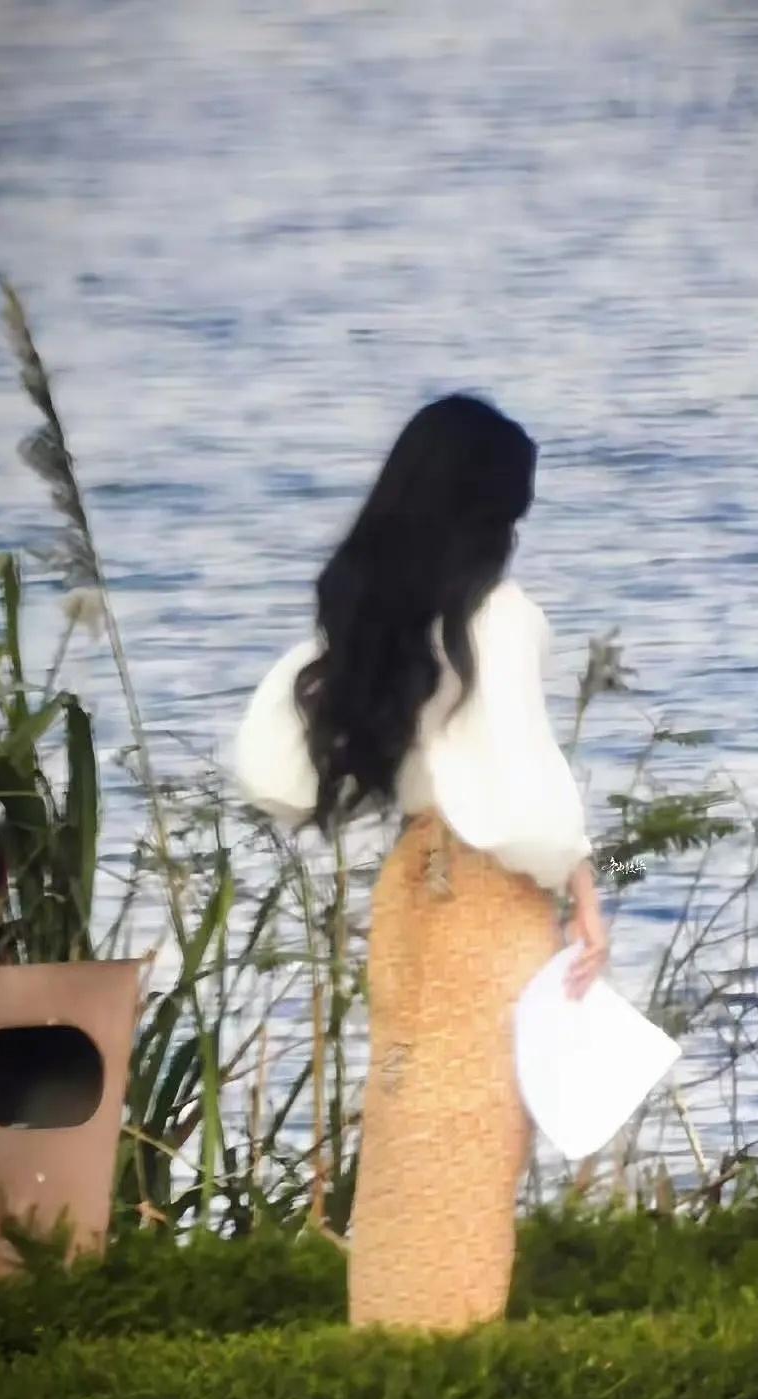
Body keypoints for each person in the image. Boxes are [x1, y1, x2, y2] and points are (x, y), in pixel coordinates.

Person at [234, 393, 609, 1331]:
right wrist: (586, 895)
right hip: (488, 899)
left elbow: (273, 772)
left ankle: (391, 1324)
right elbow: (529, 787)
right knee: (475, 1122)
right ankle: (451, 1334)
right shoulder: (499, 618)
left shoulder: (377, 617)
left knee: (406, 1108)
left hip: (411, 887)